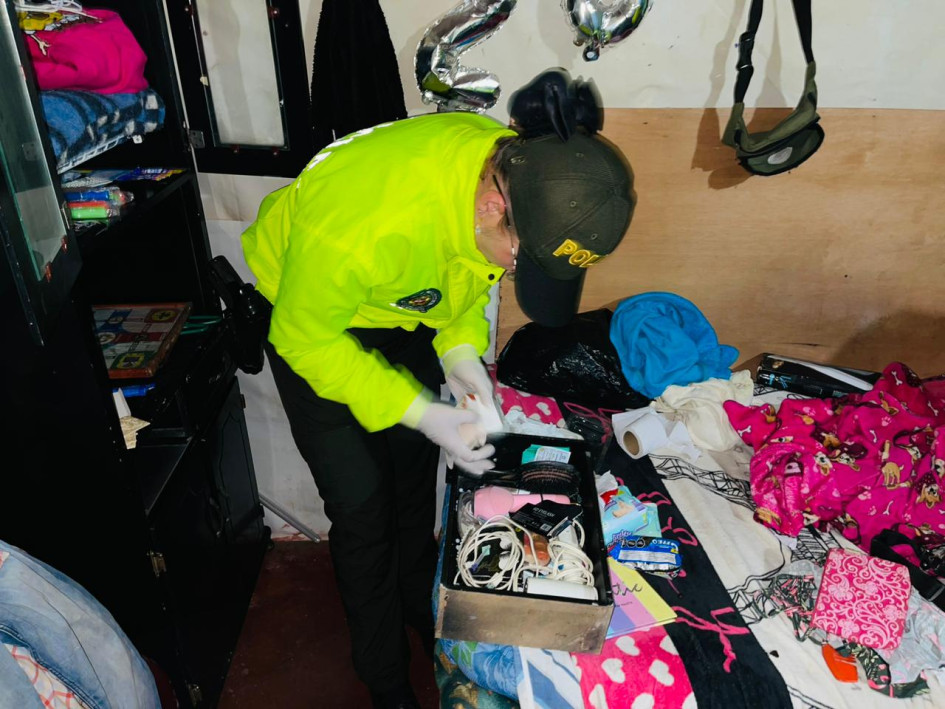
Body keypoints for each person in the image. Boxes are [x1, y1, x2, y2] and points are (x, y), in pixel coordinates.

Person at [240, 74, 634, 709]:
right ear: (493, 207)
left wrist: (462, 363)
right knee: (363, 507)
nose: (512, 271)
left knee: (411, 482)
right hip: (310, 321)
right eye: (520, 259)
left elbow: (459, 278)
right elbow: (302, 338)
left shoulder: (506, 165)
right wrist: (422, 412)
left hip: (395, 307)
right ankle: (384, 675)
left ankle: (420, 609)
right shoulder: (364, 220)